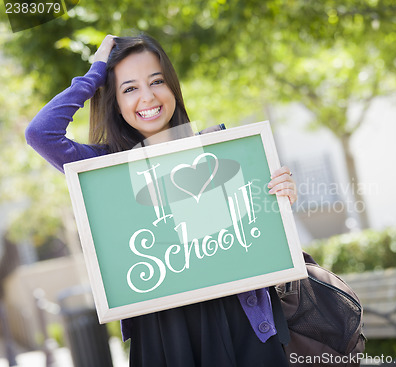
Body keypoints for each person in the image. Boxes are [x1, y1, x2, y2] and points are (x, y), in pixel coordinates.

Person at [26, 34, 297, 367]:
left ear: (172, 87)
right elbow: (41, 133)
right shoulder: (102, 168)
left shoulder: (218, 146)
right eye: (129, 88)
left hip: (240, 318)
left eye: (157, 81)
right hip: (163, 331)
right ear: (113, 100)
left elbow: (258, 236)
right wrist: (95, 72)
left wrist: (279, 199)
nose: (147, 97)